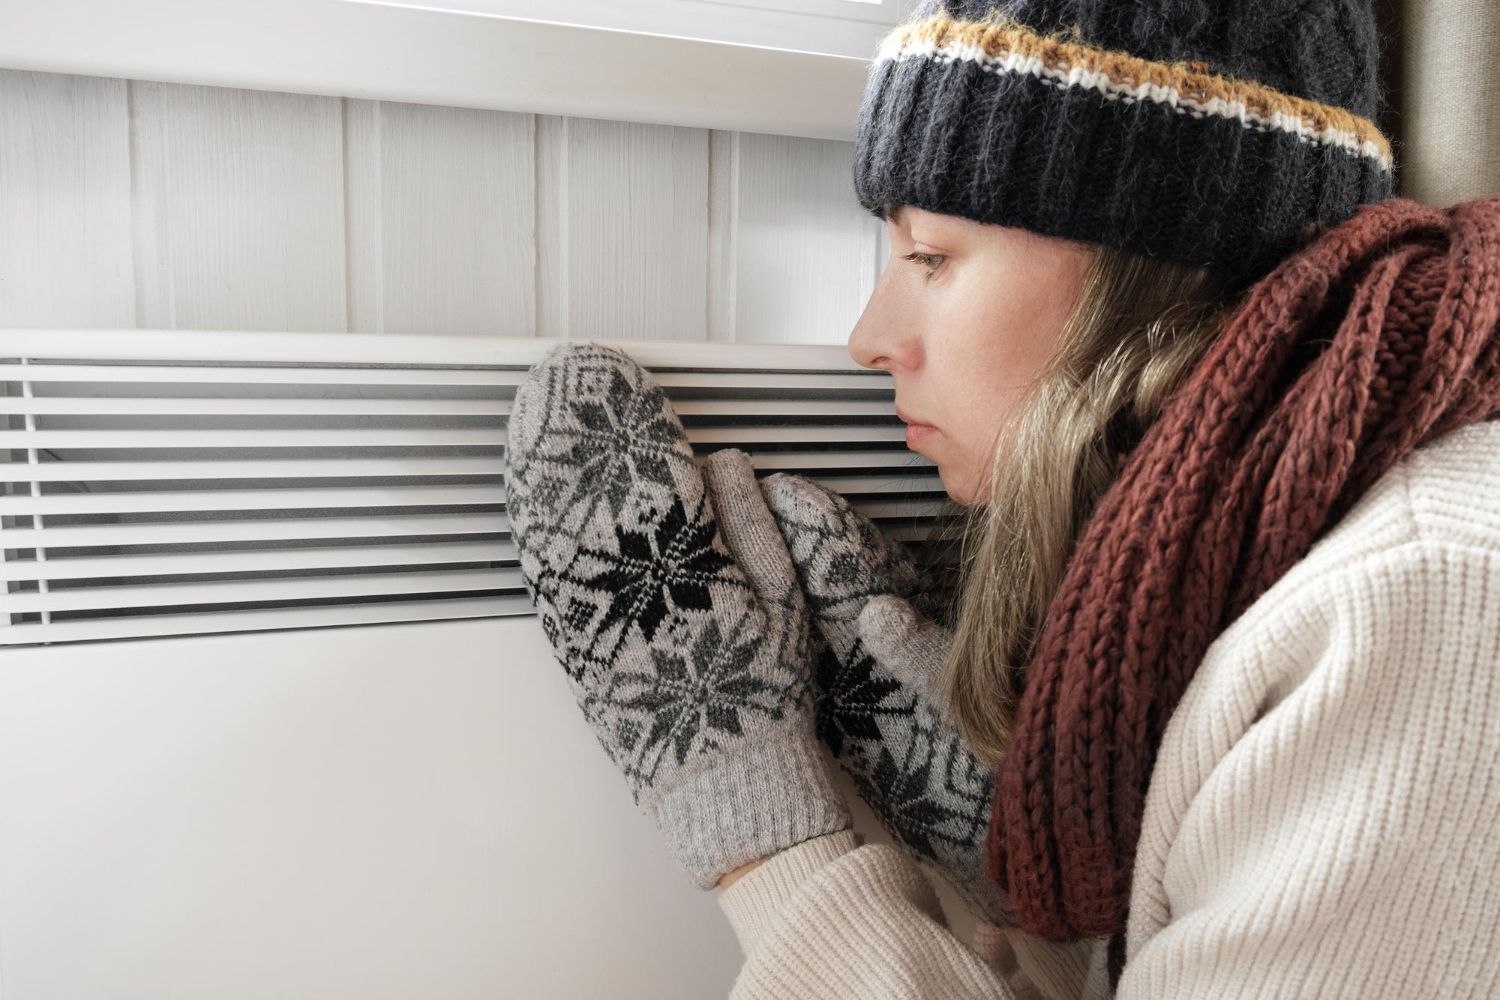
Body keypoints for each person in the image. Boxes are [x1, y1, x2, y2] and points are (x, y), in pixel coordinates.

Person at [504, 1, 1500, 996]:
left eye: (929, 257)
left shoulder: (1418, 607)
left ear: (1151, 268)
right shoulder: (1258, 559)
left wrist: (767, 840)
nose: (868, 335)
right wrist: (1015, 863)